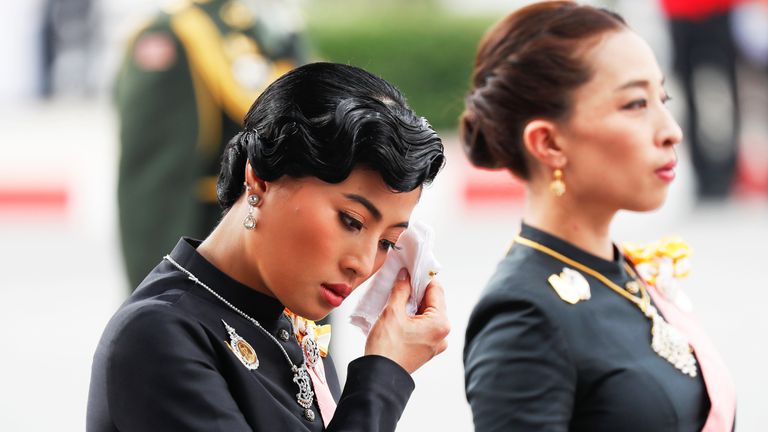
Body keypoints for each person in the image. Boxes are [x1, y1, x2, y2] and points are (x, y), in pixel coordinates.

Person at [88, 62, 449, 431]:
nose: (362, 263)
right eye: (351, 221)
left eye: (388, 242)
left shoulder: (290, 321)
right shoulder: (159, 336)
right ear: (259, 178)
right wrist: (383, 376)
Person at [461, 2, 736, 431]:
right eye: (635, 104)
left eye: (662, 98)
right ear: (549, 142)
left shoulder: (624, 273)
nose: (671, 130)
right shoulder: (524, 318)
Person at [116, 0, 306, 288]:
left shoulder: (261, 25)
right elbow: (154, 187)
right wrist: (160, 295)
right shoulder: (173, 34)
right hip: (216, 269)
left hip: (281, 260)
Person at [659, 0, 741, 200]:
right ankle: (703, 174)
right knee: (687, 95)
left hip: (716, 11)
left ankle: (723, 173)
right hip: (678, 12)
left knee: (719, 92)